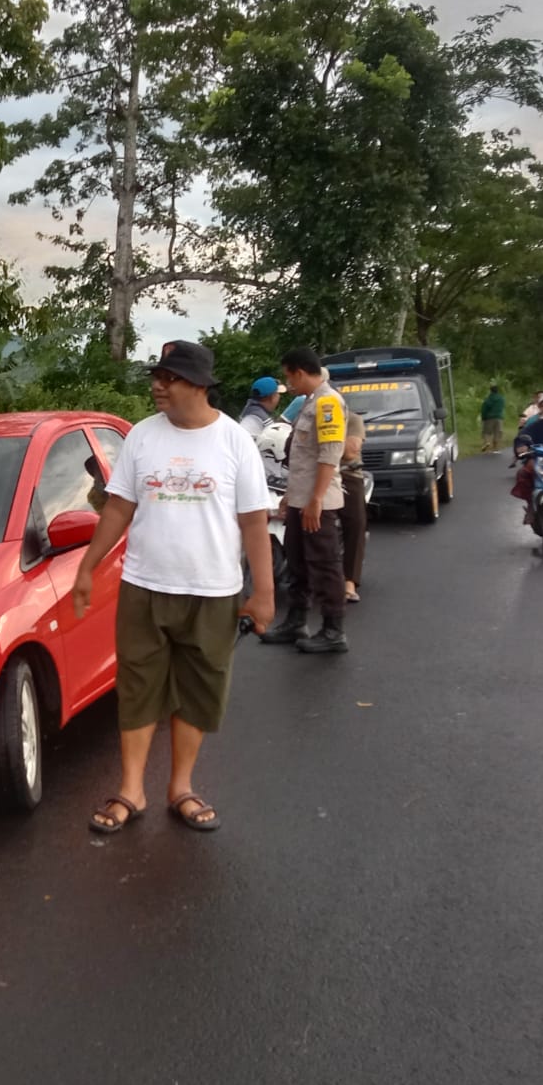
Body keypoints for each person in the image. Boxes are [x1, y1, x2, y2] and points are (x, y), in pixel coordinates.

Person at [72, 340, 274, 835]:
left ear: (200, 385)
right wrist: (87, 567)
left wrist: (264, 593)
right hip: (144, 586)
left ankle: (180, 787)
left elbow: (254, 521)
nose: (158, 386)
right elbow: (119, 507)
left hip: (214, 591)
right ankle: (131, 789)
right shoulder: (142, 436)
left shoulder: (234, 441)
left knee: (197, 691)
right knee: (137, 687)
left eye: (170, 378)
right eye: (157, 377)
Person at [260, 347, 349, 654]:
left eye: (289, 377)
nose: (289, 384)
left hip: (317, 503)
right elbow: (301, 459)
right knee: (297, 562)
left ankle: (333, 630)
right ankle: (296, 621)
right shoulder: (311, 402)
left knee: (324, 565)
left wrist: (316, 500)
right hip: (301, 499)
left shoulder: (328, 402)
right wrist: (291, 497)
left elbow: (329, 455)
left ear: (299, 372)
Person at [339, 409, 367, 604]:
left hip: (347, 474)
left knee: (356, 524)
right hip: (313, 476)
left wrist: (323, 446)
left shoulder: (352, 419)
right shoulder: (305, 416)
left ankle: (349, 581)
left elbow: (350, 452)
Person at [480, 383, 506, 453]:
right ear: (497, 391)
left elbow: (484, 409)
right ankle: (496, 449)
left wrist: (483, 417)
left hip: (489, 418)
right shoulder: (501, 399)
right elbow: (502, 407)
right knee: (497, 433)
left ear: (490, 391)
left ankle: (487, 443)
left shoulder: (488, 399)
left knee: (486, 432)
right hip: (499, 418)